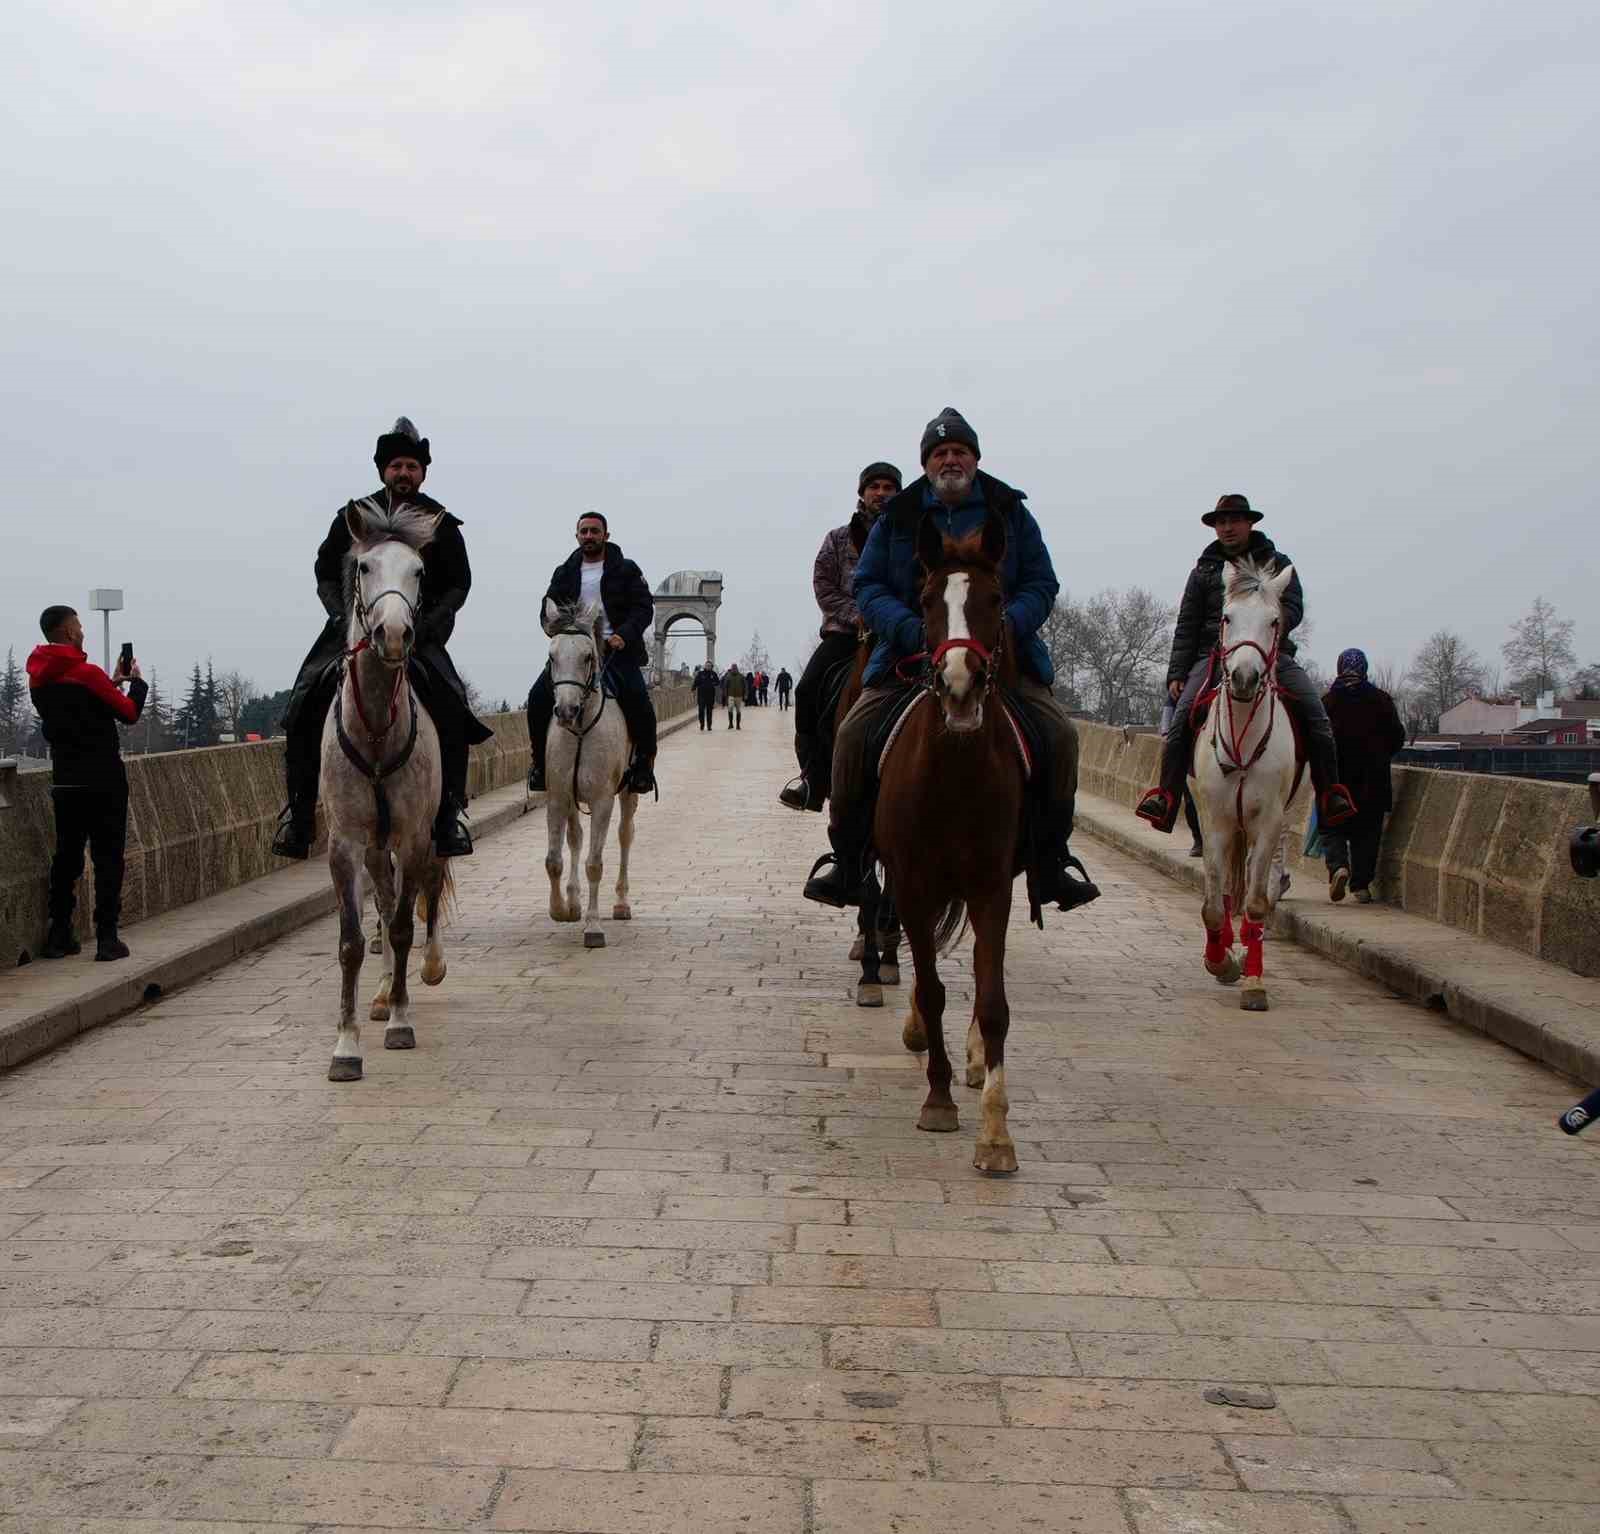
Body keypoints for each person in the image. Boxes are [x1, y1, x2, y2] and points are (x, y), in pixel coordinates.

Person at [802, 408, 1098, 913]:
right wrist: (912, 630)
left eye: (959, 451)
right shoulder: (899, 516)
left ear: (975, 459)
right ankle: (847, 860)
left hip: (1000, 659)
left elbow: (1041, 582)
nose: (950, 460)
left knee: (1061, 737)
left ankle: (1052, 859)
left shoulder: (1009, 510)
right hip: (909, 658)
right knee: (851, 736)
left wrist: (1005, 626)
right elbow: (868, 585)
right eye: (939, 453)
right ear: (926, 463)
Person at [272, 417, 491, 861]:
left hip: (418, 633)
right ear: (383, 470)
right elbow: (324, 572)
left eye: (412, 466)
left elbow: (459, 584)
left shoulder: (440, 522)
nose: (404, 473)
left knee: (452, 705)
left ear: (423, 472)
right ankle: (300, 815)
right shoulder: (353, 517)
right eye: (396, 466)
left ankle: (448, 814)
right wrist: (341, 615)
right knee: (304, 703)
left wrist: (429, 626)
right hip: (352, 631)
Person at [1135, 493, 1357, 836]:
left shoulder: (1277, 564)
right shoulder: (1203, 570)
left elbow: (1293, 607)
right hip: (1212, 656)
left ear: (1249, 523)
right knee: (1180, 721)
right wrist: (1177, 672)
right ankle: (1166, 796)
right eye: (1221, 522)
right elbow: (1187, 623)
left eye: (1234, 521)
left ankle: (1330, 794)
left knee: (1317, 716)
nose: (1227, 528)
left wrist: (1266, 624)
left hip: (1269, 653)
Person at [29, 606, 149, 961]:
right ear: (68, 632)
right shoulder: (87, 674)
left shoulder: (38, 678)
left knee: (66, 858)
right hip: (103, 780)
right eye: (78, 626)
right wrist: (136, 683)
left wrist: (111, 682)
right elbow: (128, 713)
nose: (82, 631)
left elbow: (78, 709)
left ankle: (59, 934)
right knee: (108, 858)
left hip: (66, 780)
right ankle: (107, 939)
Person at [781, 462, 903, 811]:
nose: (881, 493)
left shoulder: (909, 536)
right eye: (874, 487)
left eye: (888, 487)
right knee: (807, 690)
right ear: (862, 493)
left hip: (896, 634)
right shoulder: (837, 539)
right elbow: (823, 585)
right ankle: (812, 777)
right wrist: (856, 616)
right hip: (846, 635)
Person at [527, 512, 658, 794]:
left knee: (640, 701)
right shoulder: (564, 572)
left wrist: (624, 634)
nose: (589, 536)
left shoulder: (627, 569)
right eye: (584, 531)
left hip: (616, 651)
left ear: (605, 536)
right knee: (537, 698)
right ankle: (539, 764)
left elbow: (643, 607)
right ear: (576, 536)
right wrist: (557, 632)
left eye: (594, 531)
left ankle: (643, 766)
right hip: (576, 653)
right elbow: (546, 609)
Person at [1321, 648, 1405, 903]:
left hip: (1337, 780)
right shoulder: (1381, 700)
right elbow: (1397, 737)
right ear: (1364, 669)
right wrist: (1379, 757)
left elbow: (1317, 738)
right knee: (1367, 833)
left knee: (1332, 827)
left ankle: (1338, 867)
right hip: (1373, 780)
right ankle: (1361, 885)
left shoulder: (1328, 702)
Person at [693, 662, 720, 731]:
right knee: (701, 710)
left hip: (710, 696)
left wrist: (713, 684)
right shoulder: (701, 673)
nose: (708, 667)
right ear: (704, 666)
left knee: (709, 711)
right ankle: (702, 724)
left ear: (711, 667)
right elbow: (696, 682)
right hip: (701, 695)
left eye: (709, 666)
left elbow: (718, 682)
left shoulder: (713, 674)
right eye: (707, 665)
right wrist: (693, 688)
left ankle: (709, 725)